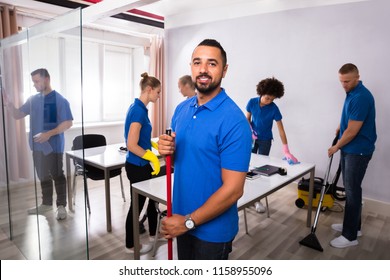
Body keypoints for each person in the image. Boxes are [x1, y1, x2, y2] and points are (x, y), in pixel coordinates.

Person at [158, 39, 252, 260]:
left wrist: (188, 222)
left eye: (212, 63)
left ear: (224, 70)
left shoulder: (234, 121)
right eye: (197, 62)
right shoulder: (181, 110)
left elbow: (233, 190)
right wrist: (166, 150)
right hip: (179, 218)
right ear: (191, 67)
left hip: (211, 232)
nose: (203, 69)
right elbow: (187, 158)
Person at [5, 68, 73, 220]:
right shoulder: (32, 100)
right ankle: (46, 204)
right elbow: (18, 115)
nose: (34, 85)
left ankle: (61, 206)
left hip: (54, 148)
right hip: (36, 147)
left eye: (37, 81)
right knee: (42, 175)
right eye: (33, 82)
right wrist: (8, 104)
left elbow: (68, 123)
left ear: (46, 79)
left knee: (57, 175)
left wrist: (48, 134)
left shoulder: (60, 100)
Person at [328, 63, 376, 248]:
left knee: (352, 191)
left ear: (357, 77)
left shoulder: (361, 97)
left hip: (358, 150)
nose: (344, 85)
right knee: (352, 189)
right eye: (341, 81)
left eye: (347, 81)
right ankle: (354, 227)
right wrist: (342, 126)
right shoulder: (352, 92)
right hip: (352, 148)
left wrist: (336, 147)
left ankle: (349, 237)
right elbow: (351, 121)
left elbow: (353, 132)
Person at [246, 77, 298, 213]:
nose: (270, 101)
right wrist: (250, 131)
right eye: (268, 98)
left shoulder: (274, 109)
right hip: (252, 139)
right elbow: (247, 119)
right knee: (249, 165)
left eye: (272, 99)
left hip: (265, 141)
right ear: (261, 92)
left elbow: (281, 129)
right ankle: (248, 196)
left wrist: (286, 149)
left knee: (261, 169)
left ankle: (258, 200)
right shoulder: (252, 102)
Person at [124, 72, 161, 254]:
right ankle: (131, 245)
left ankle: (152, 233)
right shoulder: (138, 111)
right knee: (136, 205)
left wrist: (152, 143)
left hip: (138, 164)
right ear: (149, 89)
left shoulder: (138, 107)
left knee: (144, 201)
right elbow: (131, 144)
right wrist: (152, 157)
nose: (159, 96)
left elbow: (139, 138)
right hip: (137, 166)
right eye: (158, 92)